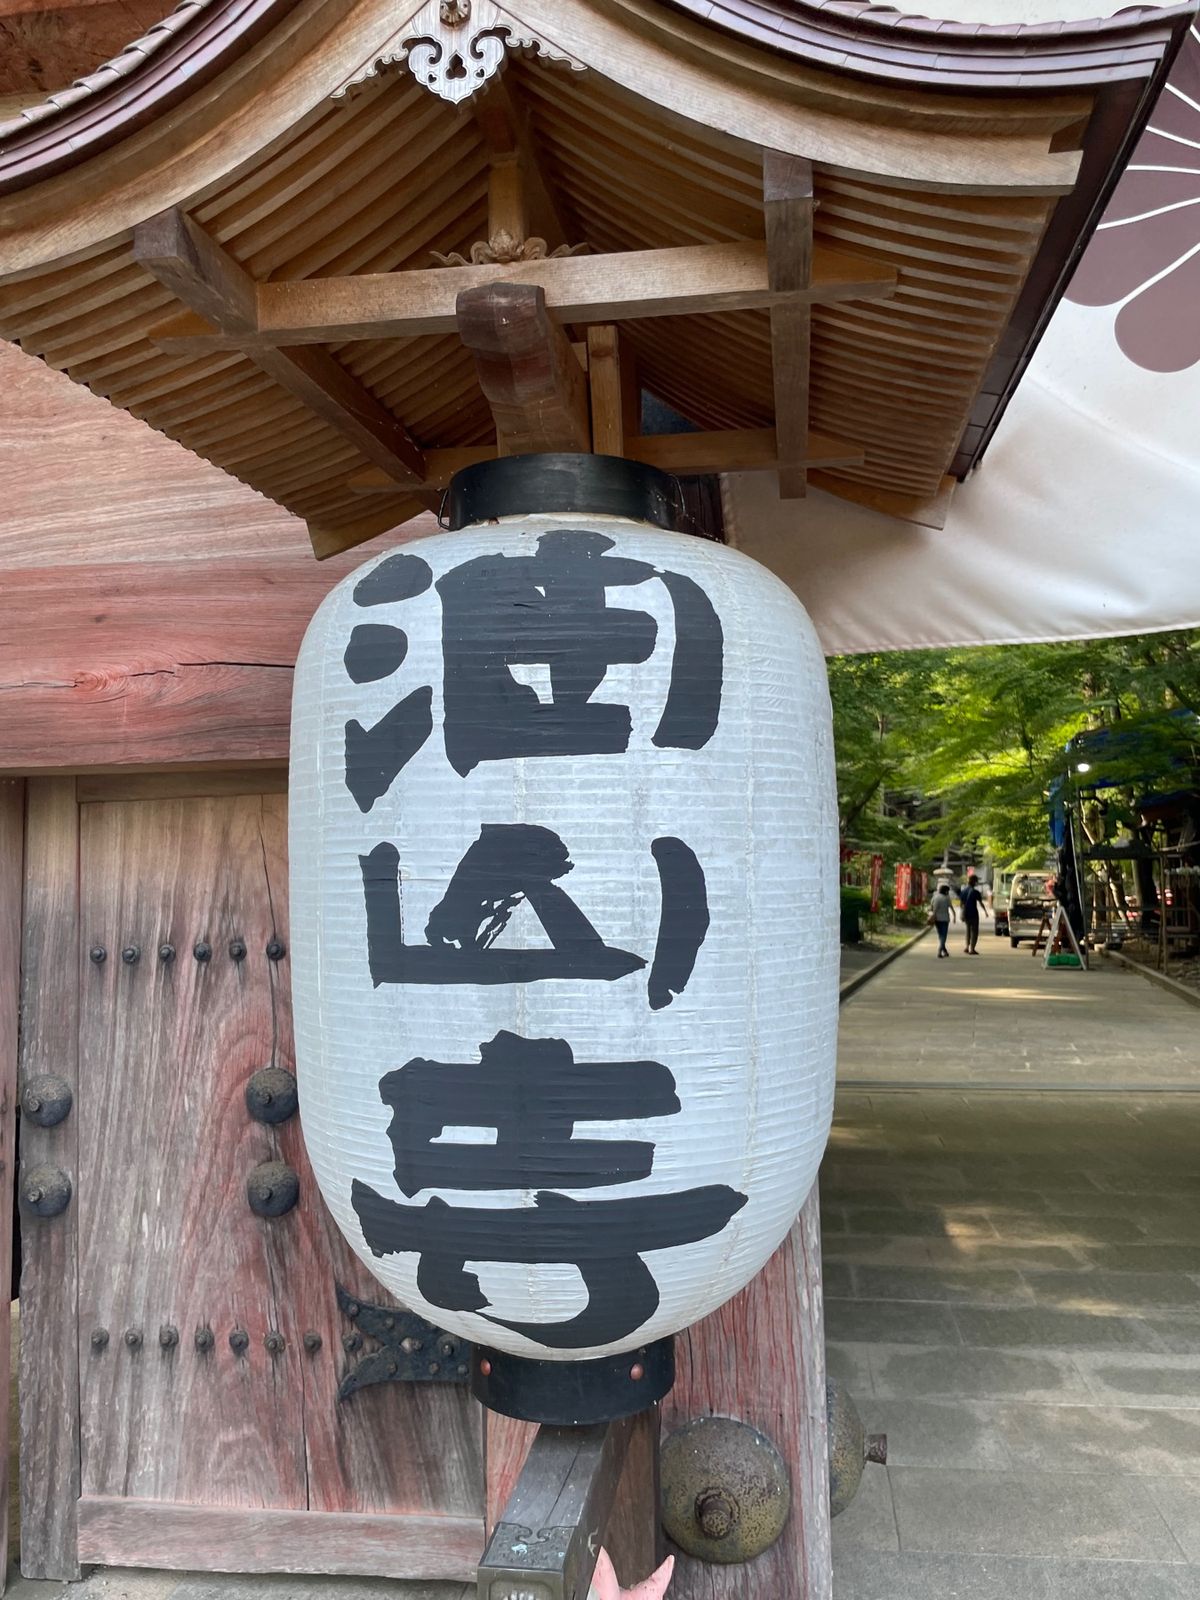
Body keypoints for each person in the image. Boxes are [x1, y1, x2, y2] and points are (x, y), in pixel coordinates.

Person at [959, 872, 990, 954]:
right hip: (973, 913)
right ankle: (972, 949)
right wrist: (985, 912)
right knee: (974, 931)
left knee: (968, 930)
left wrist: (962, 912)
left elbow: (961, 904)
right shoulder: (975, 892)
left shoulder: (963, 891)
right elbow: (980, 903)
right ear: (974, 882)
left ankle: (966, 947)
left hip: (966, 914)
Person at [929, 882, 956, 957]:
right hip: (945, 919)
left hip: (936, 919)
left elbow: (931, 908)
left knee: (940, 935)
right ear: (945, 891)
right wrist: (954, 916)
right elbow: (951, 907)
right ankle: (940, 951)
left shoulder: (935, 897)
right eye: (947, 891)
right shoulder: (946, 898)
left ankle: (945, 951)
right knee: (943, 936)